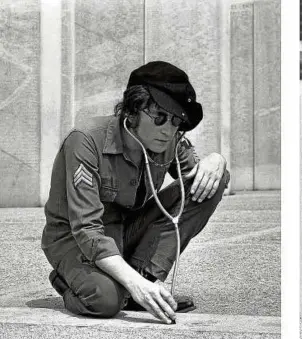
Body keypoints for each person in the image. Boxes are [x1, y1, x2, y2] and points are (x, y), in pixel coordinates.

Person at [42, 61, 229, 324]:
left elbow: (197, 182)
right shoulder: (85, 140)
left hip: (124, 231)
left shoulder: (169, 140)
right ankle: (70, 282)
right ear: (133, 109)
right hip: (74, 238)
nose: (168, 130)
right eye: (160, 117)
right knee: (106, 301)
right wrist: (134, 284)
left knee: (212, 181)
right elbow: (86, 229)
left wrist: (216, 160)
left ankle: (149, 281)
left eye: (177, 121)